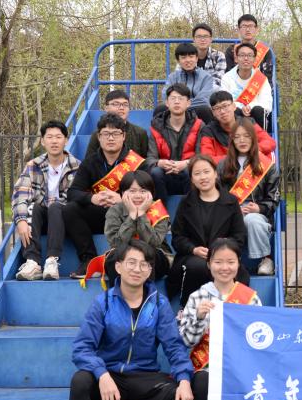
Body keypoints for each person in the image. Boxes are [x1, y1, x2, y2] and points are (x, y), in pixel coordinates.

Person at [62, 240, 194, 400]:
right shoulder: (103, 303)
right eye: (131, 262)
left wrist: (185, 379)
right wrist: (102, 374)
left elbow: (174, 347)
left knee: (184, 390)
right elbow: (82, 348)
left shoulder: (159, 304)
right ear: (119, 267)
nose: (137, 269)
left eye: (144, 264)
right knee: (80, 381)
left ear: (150, 270)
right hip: (110, 378)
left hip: (145, 377)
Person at [177, 238, 262, 400]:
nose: (225, 267)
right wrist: (199, 317)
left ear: (238, 264)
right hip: (207, 367)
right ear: (208, 264)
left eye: (230, 262)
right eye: (218, 262)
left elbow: (258, 339)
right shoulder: (197, 297)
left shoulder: (250, 298)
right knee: (201, 382)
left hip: (239, 364)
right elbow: (187, 341)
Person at [65, 114, 146, 278]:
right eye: (106, 134)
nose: (110, 138)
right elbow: (73, 192)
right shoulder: (90, 162)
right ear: (99, 137)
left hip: (127, 216)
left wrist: (122, 199)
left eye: (115, 133)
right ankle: (89, 260)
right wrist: (92, 198)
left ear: (123, 136)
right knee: (69, 209)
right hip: (100, 215)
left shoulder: (137, 163)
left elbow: (149, 195)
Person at [166, 154, 249, 303]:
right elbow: (177, 238)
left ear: (215, 173)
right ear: (192, 179)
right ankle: (187, 308)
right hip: (192, 257)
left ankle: (231, 310)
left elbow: (239, 236)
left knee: (226, 267)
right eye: (197, 174)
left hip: (223, 256)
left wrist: (219, 251)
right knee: (198, 266)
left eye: (206, 172)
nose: (203, 177)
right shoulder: (186, 202)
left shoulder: (231, 201)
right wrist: (193, 249)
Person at [12, 121, 81, 281]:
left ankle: (51, 261)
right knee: (32, 207)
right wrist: (21, 220)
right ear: (43, 141)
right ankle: (32, 262)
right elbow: (20, 193)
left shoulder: (77, 167)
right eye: (49, 137)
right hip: (41, 219)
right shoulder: (33, 165)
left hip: (66, 220)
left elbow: (78, 199)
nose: (54, 141)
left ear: (66, 140)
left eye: (58, 137)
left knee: (56, 207)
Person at [217, 118, 280, 276]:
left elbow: (274, 197)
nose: (242, 140)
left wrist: (260, 208)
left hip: (256, 213)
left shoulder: (267, 165)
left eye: (246, 136)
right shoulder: (223, 165)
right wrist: (232, 208)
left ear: (253, 138)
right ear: (232, 140)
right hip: (230, 210)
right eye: (237, 137)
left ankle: (266, 259)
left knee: (252, 220)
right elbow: (217, 193)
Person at [103, 171, 171, 281]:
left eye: (143, 191)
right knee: (113, 258)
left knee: (149, 254)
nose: (138, 196)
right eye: (132, 191)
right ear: (123, 193)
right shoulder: (115, 211)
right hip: (124, 253)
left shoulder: (158, 210)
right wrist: (132, 216)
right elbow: (116, 243)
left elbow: (154, 243)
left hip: (156, 257)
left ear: (151, 193)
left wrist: (141, 215)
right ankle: (118, 291)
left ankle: (148, 291)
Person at [148, 82, 203, 202]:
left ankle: (193, 210)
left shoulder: (198, 125)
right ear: (167, 103)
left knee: (193, 170)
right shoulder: (156, 126)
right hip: (166, 174)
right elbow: (150, 158)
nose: (177, 102)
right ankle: (161, 211)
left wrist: (186, 163)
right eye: (173, 98)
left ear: (188, 103)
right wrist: (160, 163)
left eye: (181, 98)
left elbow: (202, 155)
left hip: (188, 172)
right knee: (156, 172)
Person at [198, 90, 276, 165]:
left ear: (234, 106)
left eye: (225, 106)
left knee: (268, 155)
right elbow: (207, 158)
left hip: (250, 166)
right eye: (217, 108)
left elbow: (270, 142)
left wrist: (251, 151)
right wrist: (237, 157)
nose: (222, 111)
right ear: (213, 112)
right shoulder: (208, 131)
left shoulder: (248, 123)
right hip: (225, 169)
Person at [219, 42, 273, 130]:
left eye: (250, 55)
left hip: (255, 114)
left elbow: (267, 104)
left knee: (259, 110)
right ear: (236, 58)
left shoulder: (262, 79)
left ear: (254, 59)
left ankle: (261, 138)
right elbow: (224, 102)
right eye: (242, 55)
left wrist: (250, 107)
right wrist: (241, 107)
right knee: (232, 110)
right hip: (236, 114)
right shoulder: (227, 78)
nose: (246, 58)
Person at [85, 90, 149, 161]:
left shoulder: (140, 133)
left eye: (125, 104)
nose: (121, 108)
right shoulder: (99, 134)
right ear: (106, 108)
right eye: (116, 104)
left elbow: (146, 160)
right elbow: (89, 161)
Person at [164, 42, 217, 123]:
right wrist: (179, 105)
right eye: (183, 57)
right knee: (160, 109)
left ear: (196, 58)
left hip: (197, 110)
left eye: (191, 57)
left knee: (204, 109)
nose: (188, 60)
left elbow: (203, 100)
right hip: (175, 109)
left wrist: (183, 105)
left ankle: (207, 132)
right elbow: (166, 95)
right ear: (178, 60)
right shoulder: (173, 77)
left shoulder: (206, 77)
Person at [223, 13, 273, 81]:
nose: (247, 30)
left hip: (258, 86)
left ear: (256, 29)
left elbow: (267, 77)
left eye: (251, 26)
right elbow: (228, 75)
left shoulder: (265, 51)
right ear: (238, 29)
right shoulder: (231, 50)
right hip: (235, 86)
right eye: (244, 26)